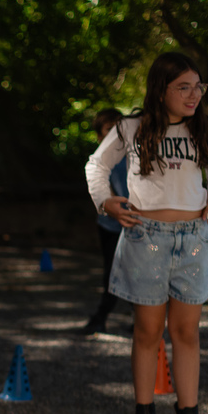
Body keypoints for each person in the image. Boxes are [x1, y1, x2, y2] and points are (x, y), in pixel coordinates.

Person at [86, 52, 208, 414]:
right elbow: (96, 167)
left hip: (193, 238)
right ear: (160, 89)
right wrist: (106, 202)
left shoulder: (201, 128)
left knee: (186, 332)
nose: (193, 94)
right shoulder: (130, 128)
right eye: (183, 87)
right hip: (145, 236)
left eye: (198, 86)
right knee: (148, 332)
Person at [82, 108, 128, 335]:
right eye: (109, 129)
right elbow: (102, 190)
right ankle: (100, 318)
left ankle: (143, 319)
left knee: (139, 273)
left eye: (118, 128)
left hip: (136, 225)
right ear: (100, 134)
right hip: (111, 226)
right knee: (112, 272)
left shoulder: (133, 154)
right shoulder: (100, 159)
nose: (115, 134)